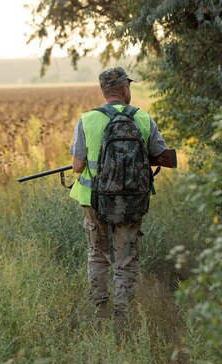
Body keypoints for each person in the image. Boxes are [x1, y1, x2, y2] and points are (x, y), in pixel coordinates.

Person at [68, 67, 169, 337]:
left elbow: (77, 167)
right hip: (132, 203)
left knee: (98, 257)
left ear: (104, 91)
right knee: (126, 261)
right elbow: (159, 154)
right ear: (125, 88)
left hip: (94, 202)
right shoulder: (143, 118)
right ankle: (121, 322)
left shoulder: (87, 120)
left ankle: (100, 316)